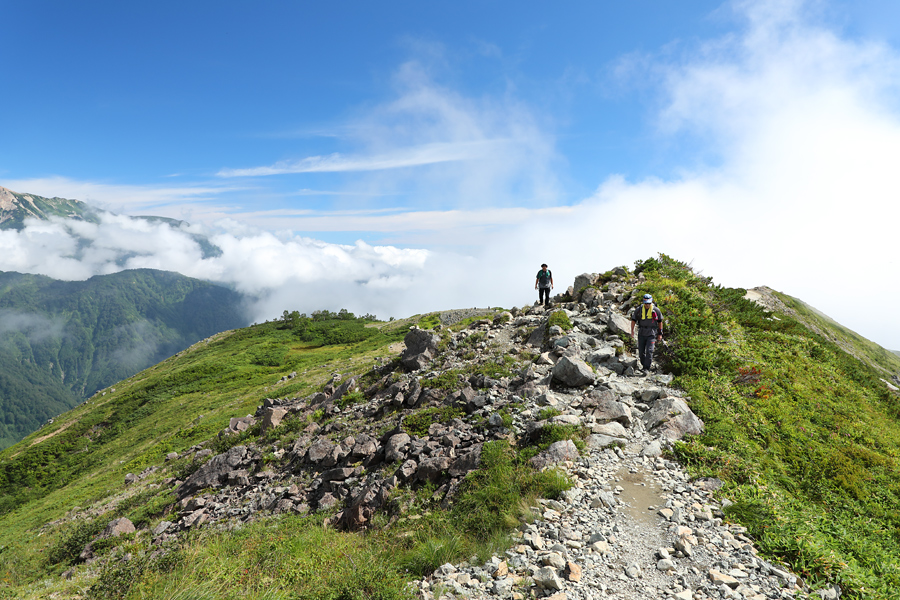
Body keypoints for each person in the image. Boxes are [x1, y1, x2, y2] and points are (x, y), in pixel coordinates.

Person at [630, 293, 663, 372]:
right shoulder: (639, 310)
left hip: (651, 333)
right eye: (646, 303)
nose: (647, 305)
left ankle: (646, 368)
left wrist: (660, 333)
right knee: (641, 351)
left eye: (649, 303)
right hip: (641, 332)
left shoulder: (656, 310)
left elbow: (660, 322)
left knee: (649, 351)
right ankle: (643, 364)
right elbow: (633, 320)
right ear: (643, 302)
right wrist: (632, 331)